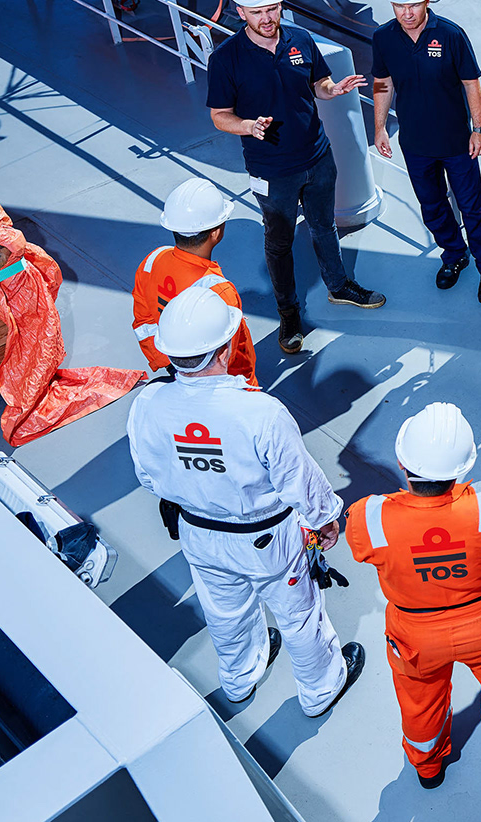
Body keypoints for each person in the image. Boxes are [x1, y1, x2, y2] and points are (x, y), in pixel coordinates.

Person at [127, 287, 365, 715]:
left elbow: (148, 476)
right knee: (298, 615)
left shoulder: (148, 403)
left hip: (198, 534)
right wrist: (325, 519)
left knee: (225, 612)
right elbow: (300, 482)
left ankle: (239, 679)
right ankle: (321, 689)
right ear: (225, 348)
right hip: (268, 540)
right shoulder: (259, 413)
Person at [346, 403, 481, 784]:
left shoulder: (369, 520)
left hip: (416, 639)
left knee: (420, 703)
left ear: (402, 463)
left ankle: (428, 767)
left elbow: (358, 541)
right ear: (463, 468)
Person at [207, 0, 384, 357]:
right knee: (279, 242)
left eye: (272, 8)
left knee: (324, 226)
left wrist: (332, 89)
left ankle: (339, 286)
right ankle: (288, 314)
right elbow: (220, 115)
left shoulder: (300, 39)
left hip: (317, 157)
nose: (267, 18)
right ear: (241, 11)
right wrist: (247, 126)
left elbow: (318, 83)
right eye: (257, 12)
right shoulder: (226, 59)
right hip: (271, 170)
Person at [370, 0, 481, 305]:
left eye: (413, 4)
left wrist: (479, 129)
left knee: (472, 207)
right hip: (415, 144)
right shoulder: (384, 38)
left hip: (456, 142)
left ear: (427, 0)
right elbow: (383, 83)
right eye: (399, 5)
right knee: (432, 205)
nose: (407, 13)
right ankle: (454, 254)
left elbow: (471, 84)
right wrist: (380, 127)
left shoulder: (451, 35)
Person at [131, 177, 257, 383]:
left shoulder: (152, 260)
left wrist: (169, 361)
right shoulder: (220, 292)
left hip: (174, 361)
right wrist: (248, 390)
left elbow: (143, 318)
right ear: (216, 232)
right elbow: (235, 355)